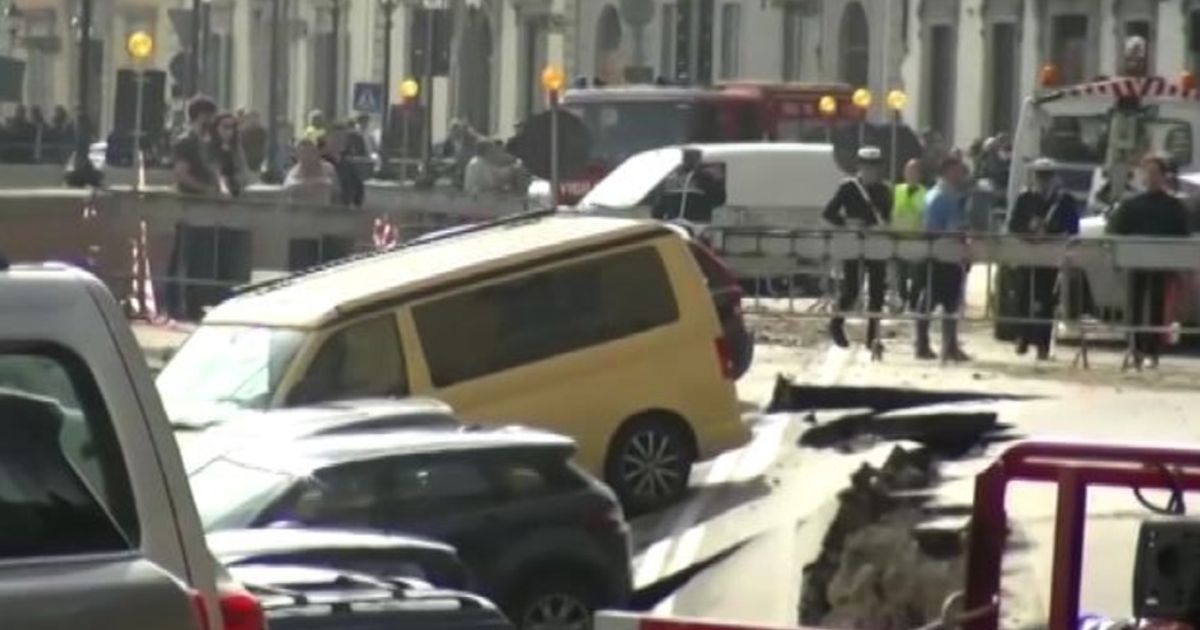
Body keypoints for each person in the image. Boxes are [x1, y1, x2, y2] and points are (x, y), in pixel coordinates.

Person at [1107, 154, 1192, 367]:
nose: (1151, 177)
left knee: (1156, 307)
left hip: (1161, 264)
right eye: (1148, 173)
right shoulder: (1131, 204)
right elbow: (1115, 230)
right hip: (1134, 262)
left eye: (1155, 173)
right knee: (1134, 306)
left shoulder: (1173, 207)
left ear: (1164, 177)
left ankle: (1152, 352)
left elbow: (1182, 234)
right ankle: (1134, 349)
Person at [1008, 158, 1081, 360]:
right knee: (1023, 297)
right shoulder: (1025, 198)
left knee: (1046, 300)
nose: (1043, 180)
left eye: (1047, 175)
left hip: (1050, 256)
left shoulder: (1064, 200)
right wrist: (1029, 232)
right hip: (1027, 254)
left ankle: (1042, 344)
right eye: (1040, 175)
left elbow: (1073, 229)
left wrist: (1054, 234)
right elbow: (1013, 225)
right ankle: (1022, 337)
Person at [824, 146, 892, 351]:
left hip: (875, 243)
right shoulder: (849, 187)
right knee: (852, 289)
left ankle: (873, 336)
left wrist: (879, 225)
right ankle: (836, 324)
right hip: (853, 242)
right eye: (867, 166)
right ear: (860, 166)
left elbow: (886, 218)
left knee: (877, 291)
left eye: (874, 166)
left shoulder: (884, 190)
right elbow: (829, 213)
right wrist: (849, 223)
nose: (871, 170)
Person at [916, 156, 972, 362]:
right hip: (941, 254)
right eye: (957, 170)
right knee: (933, 300)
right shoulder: (940, 197)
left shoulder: (948, 195)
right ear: (947, 171)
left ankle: (949, 346)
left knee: (948, 302)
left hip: (948, 254)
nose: (961, 174)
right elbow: (932, 228)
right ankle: (926, 345)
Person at [653, 148, 727, 224]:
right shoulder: (669, 178)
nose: (690, 161)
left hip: (697, 224)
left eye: (693, 157)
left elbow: (719, 200)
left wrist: (711, 180)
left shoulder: (705, 178)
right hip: (674, 223)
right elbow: (659, 206)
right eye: (687, 157)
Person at [892, 159, 927, 310]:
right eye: (908, 171)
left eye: (914, 171)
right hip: (899, 238)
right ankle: (902, 300)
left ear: (920, 175)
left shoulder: (925, 193)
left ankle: (913, 302)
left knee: (916, 276)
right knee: (901, 274)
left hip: (917, 239)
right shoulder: (897, 190)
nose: (911, 174)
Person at [171, 95, 222, 195]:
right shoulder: (186, 142)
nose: (213, 121)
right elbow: (181, 174)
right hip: (190, 201)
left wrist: (219, 189)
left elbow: (214, 170)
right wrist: (205, 189)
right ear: (201, 116)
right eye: (210, 116)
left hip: (209, 200)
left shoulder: (211, 142)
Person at [320, 124, 364, 207]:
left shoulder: (348, 164)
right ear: (326, 139)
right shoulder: (318, 160)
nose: (340, 141)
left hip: (344, 211)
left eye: (343, 138)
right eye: (336, 138)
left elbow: (358, 188)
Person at [284, 137, 339, 204]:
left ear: (317, 153)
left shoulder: (328, 168)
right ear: (298, 156)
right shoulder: (293, 173)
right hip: (301, 211)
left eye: (311, 152)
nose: (308, 156)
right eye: (304, 152)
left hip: (324, 210)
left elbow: (336, 191)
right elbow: (287, 191)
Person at [210, 112, 247, 196]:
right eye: (225, 127)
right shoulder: (210, 147)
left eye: (232, 127)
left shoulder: (236, 148)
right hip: (214, 195)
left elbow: (244, 172)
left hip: (234, 194)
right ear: (216, 128)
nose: (229, 131)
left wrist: (237, 180)